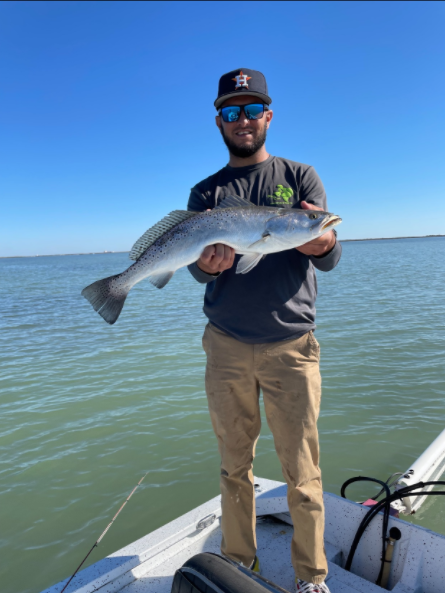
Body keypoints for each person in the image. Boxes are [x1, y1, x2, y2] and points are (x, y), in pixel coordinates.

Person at [187, 68, 341, 593]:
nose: (244, 120)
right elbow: (194, 266)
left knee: (303, 470)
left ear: (268, 116)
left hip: (292, 347)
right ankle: (237, 563)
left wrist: (318, 240)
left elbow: (329, 253)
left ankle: (312, 576)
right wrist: (207, 264)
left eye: (253, 110)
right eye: (232, 111)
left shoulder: (300, 177)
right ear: (220, 122)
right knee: (234, 466)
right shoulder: (206, 192)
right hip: (226, 344)